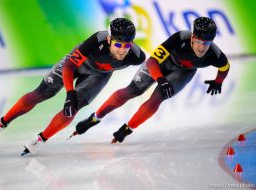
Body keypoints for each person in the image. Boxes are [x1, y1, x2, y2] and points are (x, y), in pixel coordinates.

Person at [0, 18, 146, 155]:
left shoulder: (137, 56)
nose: (123, 50)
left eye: (127, 45)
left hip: (99, 75)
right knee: (43, 92)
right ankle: (1, 123)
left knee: (73, 108)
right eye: (118, 44)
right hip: (76, 64)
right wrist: (69, 92)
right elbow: (69, 66)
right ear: (109, 39)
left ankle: (40, 140)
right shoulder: (96, 41)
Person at [73, 17, 230, 143]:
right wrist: (160, 79)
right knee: (133, 90)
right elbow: (153, 61)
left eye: (207, 43)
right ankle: (96, 117)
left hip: (184, 72)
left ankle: (127, 129)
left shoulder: (215, 54)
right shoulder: (180, 38)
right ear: (192, 37)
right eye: (200, 42)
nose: (202, 48)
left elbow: (224, 67)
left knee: (158, 97)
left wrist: (218, 81)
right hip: (161, 64)